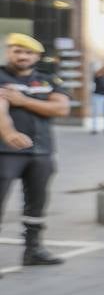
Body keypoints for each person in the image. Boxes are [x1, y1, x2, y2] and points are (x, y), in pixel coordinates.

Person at [0, 34, 70, 268]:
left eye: (28, 52)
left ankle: (34, 250)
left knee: (37, 203)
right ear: (8, 52)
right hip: (5, 152)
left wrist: (23, 101)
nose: (22, 56)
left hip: (41, 151)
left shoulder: (48, 80)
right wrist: (9, 133)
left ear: (37, 56)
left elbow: (61, 109)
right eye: (17, 51)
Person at [90, 63, 104, 134]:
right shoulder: (97, 76)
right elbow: (98, 72)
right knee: (96, 112)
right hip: (98, 96)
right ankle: (94, 128)